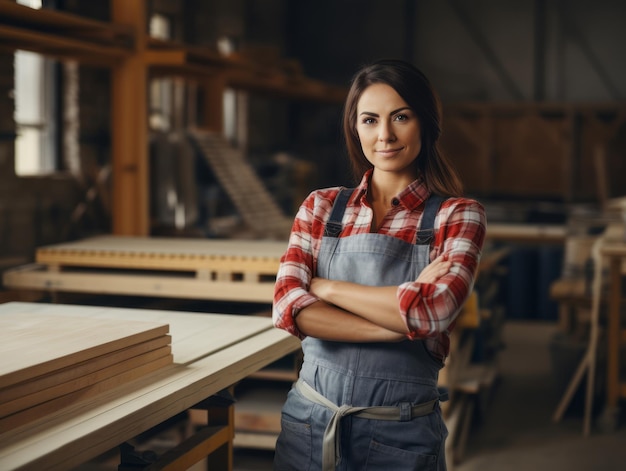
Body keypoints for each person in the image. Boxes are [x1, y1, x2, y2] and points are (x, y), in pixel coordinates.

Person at [272, 58, 487, 471]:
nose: (384, 135)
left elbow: (432, 311)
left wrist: (325, 288)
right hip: (309, 425)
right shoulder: (320, 206)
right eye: (370, 120)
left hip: (401, 437)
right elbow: (285, 306)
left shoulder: (458, 215)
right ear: (356, 128)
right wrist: (395, 327)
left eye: (400, 117)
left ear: (425, 123)